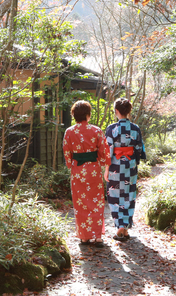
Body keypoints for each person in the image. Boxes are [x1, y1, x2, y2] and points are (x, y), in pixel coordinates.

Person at [63, 100, 110, 247]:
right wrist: (104, 163)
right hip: (93, 170)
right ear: (88, 115)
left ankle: (84, 237)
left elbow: (67, 152)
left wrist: (70, 164)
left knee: (80, 202)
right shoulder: (96, 130)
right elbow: (104, 151)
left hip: (78, 170)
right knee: (96, 202)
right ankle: (97, 236)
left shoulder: (69, 132)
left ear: (74, 115)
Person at [104, 98, 145, 241]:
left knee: (114, 195)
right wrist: (135, 160)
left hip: (115, 165)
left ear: (116, 111)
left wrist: (106, 169)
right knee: (129, 195)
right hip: (130, 165)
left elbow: (107, 151)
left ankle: (120, 227)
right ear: (128, 111)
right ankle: (125, 228)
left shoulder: (111, 129)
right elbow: (139, 148)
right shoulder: (135, 128)